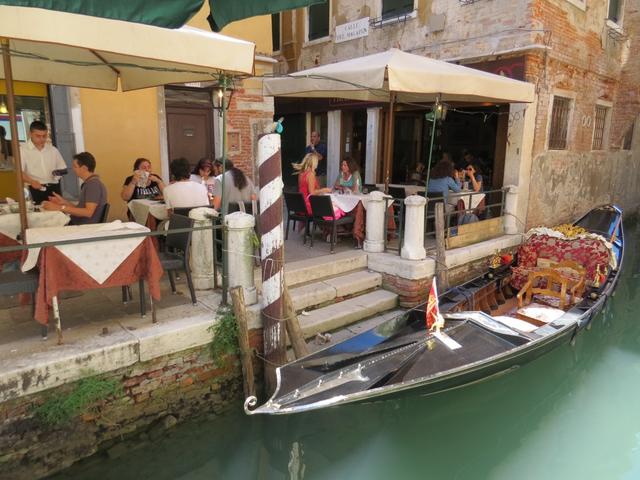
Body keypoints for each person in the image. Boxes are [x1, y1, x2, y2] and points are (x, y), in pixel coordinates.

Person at [41, 152, 107, 225]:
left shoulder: (93, 185)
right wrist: (63, 202)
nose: (73, 169)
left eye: (75, 166)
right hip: (77, 223)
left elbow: (88, 212)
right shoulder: (90, 183)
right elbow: (80, 209)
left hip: (82, 227)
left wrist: (59, 207)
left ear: (84, 168)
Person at [20, 120, 68, 204]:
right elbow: (19, 172)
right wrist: (31, 181)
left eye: (44, 136)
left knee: (57, 211)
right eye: (38, 136)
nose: (42, 139)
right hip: (34, 188)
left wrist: (57, 173)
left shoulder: (52, 149)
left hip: (53, 187)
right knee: (37, 211)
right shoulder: (23, 150)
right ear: (30, 134)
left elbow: (63, 169)